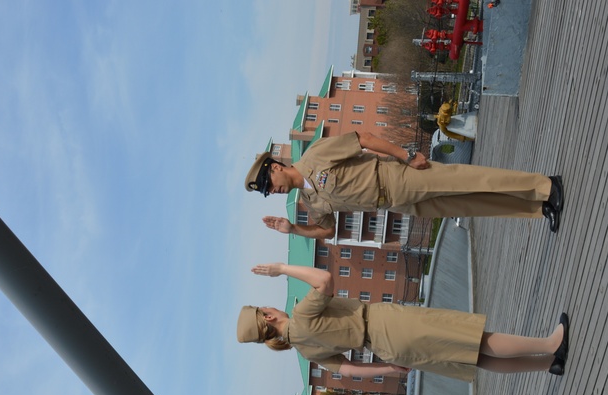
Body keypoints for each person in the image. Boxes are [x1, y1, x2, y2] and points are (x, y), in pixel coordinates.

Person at [236, 263, 570, 381]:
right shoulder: (302, 317)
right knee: (476, 340)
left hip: (383, 348)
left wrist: (390, 370)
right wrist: (281, 267)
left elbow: (348, 370)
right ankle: (550, 345)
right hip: (384, 324)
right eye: (267, 307)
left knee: (475, 359)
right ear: (268, 317)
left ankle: (547, 365)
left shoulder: (304, 351)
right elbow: (324, 279)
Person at [244, 131, 564, 235]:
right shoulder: (310, 202)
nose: (273, 191)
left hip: (396, 177)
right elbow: (327, 230)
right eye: (268, 192)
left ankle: (545, 186)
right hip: (400, 204)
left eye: (269, 183)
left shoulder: (315, 155)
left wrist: (406, 155)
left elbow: (363, 140)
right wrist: (295, 229)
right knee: (470, 204)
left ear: (275, 166)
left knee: (471, 180)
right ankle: (538, 207)